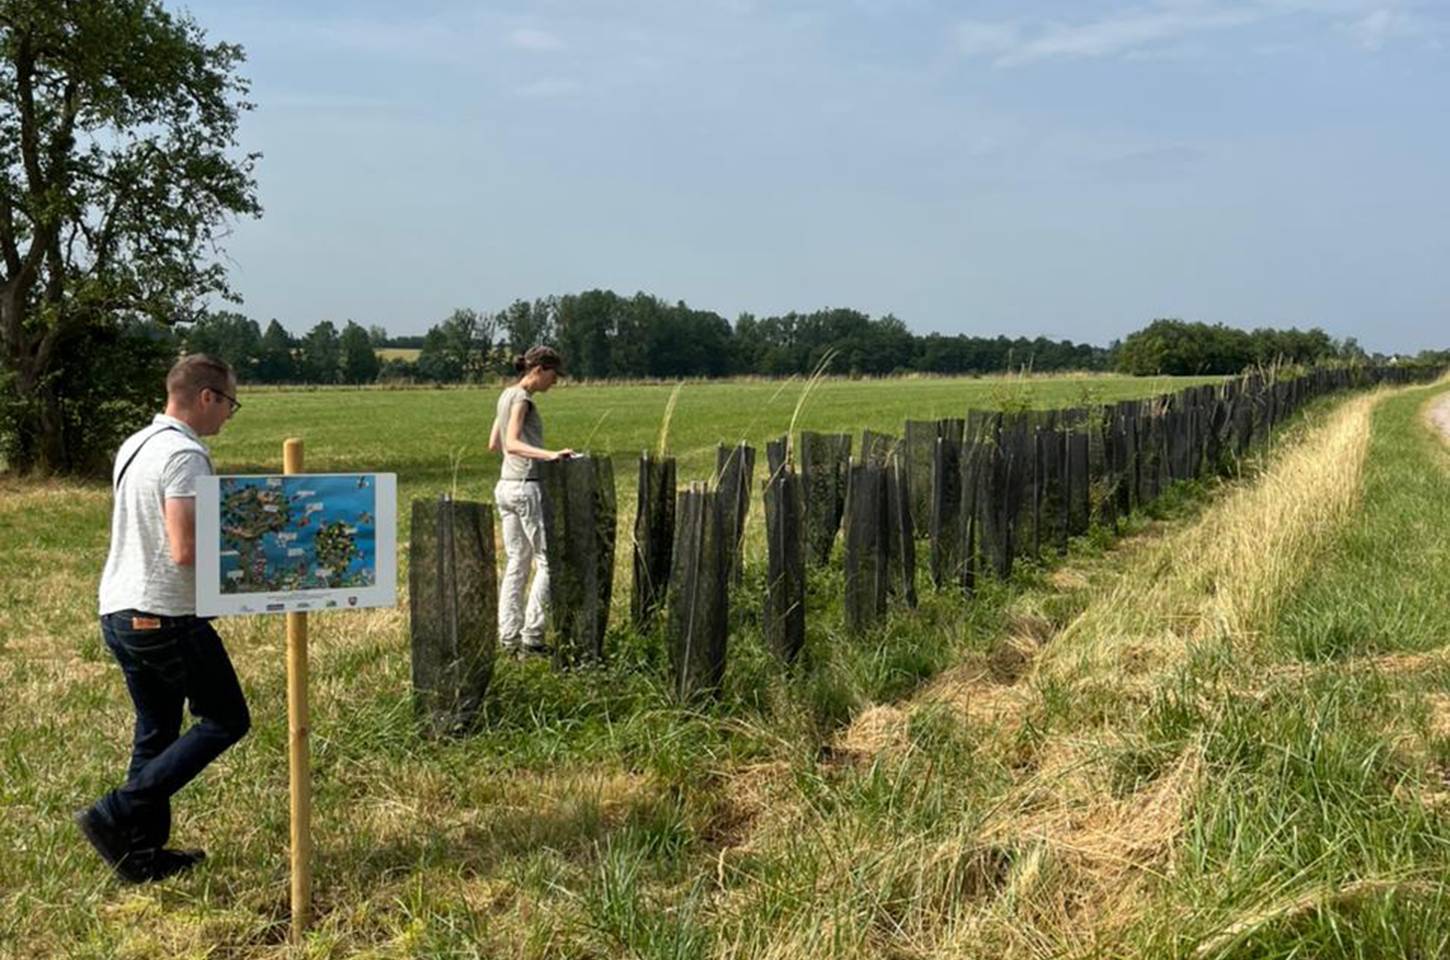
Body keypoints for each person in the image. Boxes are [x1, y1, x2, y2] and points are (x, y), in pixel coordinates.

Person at [75, 354, 251, 884]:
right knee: (226, 718)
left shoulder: (137, 444)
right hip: (164, 614)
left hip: (120, 609)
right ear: (206, 398)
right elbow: (184, 547)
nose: (228, 416)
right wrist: (254, 559)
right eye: (230, 404)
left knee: (156, 731)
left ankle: (140, 855)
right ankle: (119, 810)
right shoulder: (185, 456)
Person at [488, 345, 573, 656]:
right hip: (526, 487)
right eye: (553, 375)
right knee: (548, 561)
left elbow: (493, 443)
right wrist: (550, 455)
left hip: (505, 487)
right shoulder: (522, 399)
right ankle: (532, 637)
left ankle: (507, 637)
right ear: (538, 370)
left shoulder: (505, 395)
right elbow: (510, 443)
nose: (555, 382)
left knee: (517, 563)